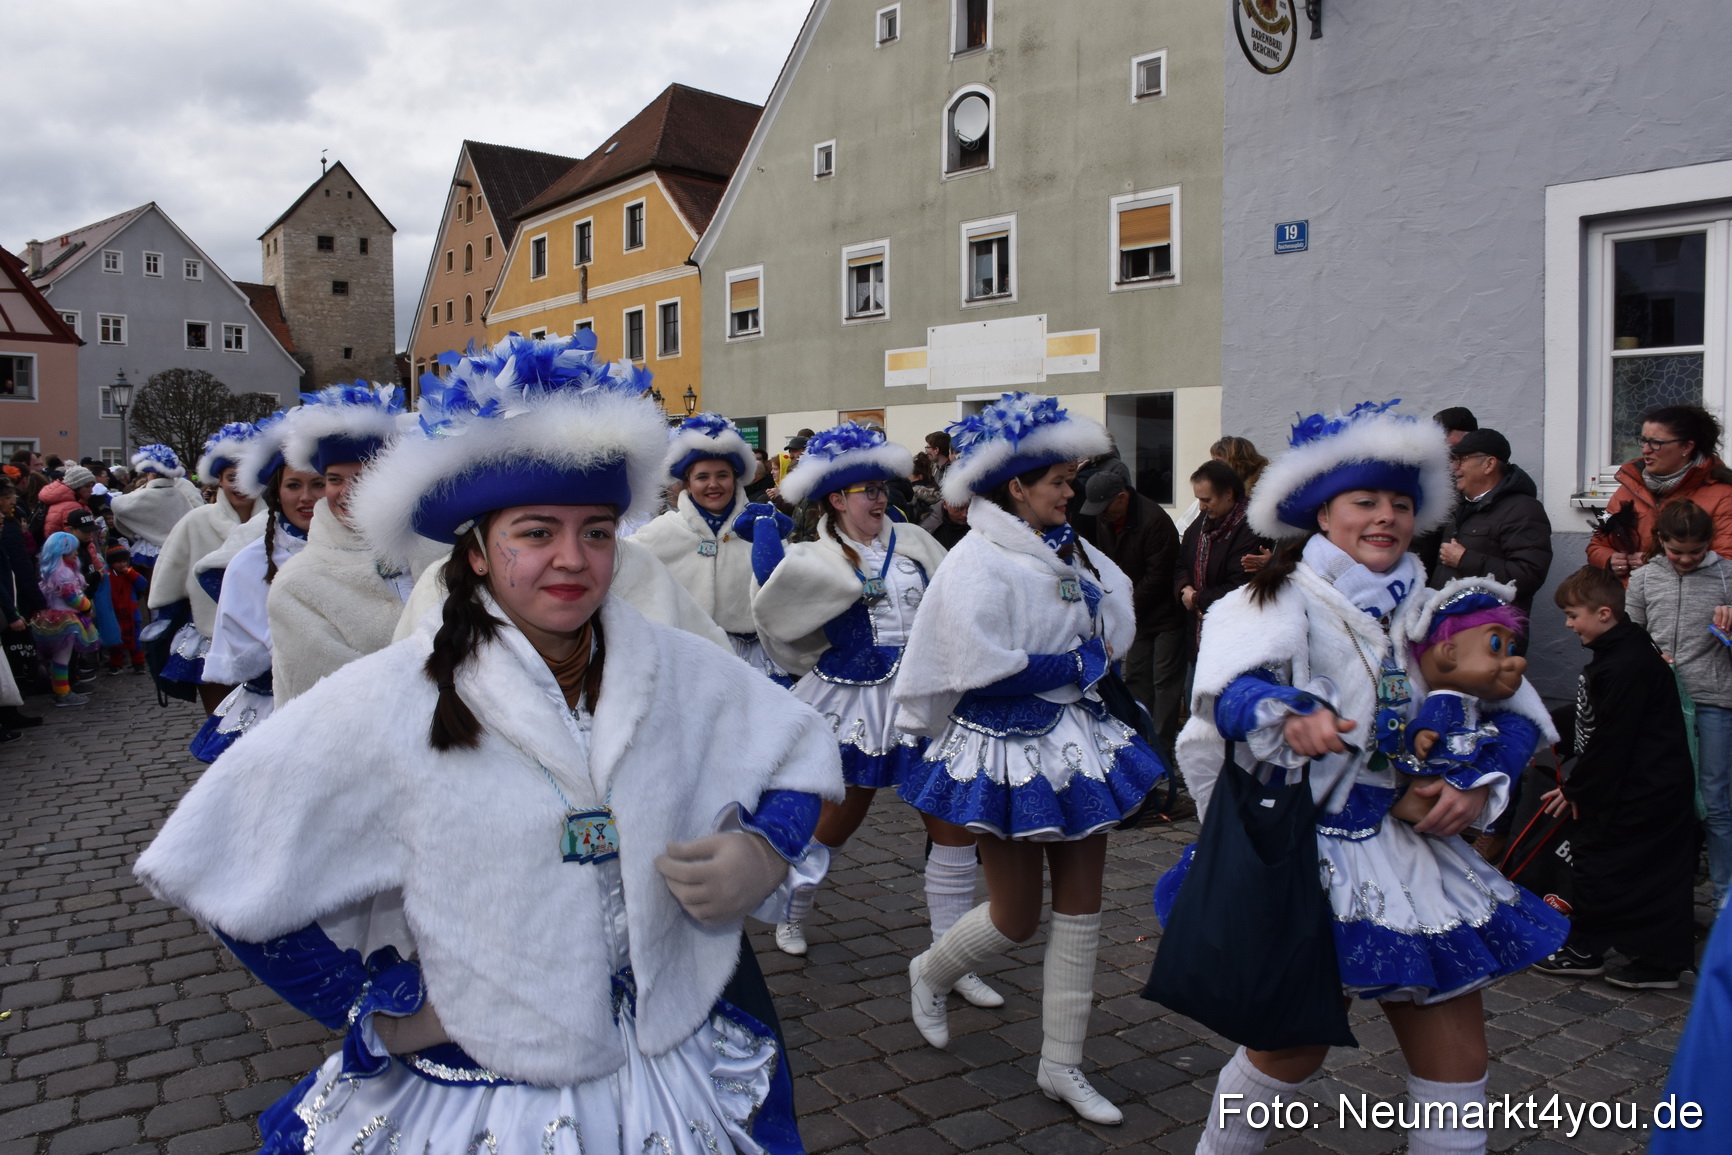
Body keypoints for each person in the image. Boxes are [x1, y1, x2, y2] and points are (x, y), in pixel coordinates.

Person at [134, 331, 842, 1155]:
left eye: (598, 532)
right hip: (487, 1096)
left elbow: (797, 751)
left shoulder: (672, 666)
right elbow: (216, 855)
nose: (572, 560)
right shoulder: (393, 696)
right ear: (475, 550)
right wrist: (383, 1009)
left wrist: (762, 848)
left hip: (670, 1059)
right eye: (537, 532)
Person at [1168, 400, 1565, 1155]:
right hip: (1309, 851)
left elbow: (1516, 713)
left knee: (1457, 1059)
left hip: (1415, 856)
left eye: (1401, 502)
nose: (1386, 516)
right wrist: (1287, 713)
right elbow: (1224, 696)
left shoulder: (1438, 606)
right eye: (1366, 500)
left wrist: (1481, 779)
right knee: (1289, 1047)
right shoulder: (1271, 600)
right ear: (1323, 512)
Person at [893, 392, 1166, 1125]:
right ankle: (931, 968)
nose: (1071, 494)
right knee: (1015, 915)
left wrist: (1094, 652)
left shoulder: (1068, 548)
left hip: (1074, 739)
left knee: (1083, 910)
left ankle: (1062, 1063)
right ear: (1017, 485)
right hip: (1003, 746)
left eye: (1072, 481)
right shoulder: (977, 558)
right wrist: (1074, 660)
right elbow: (979, 662)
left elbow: (1114, 610)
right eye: (1060, 482)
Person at [748, 423, 998, 1006]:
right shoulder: (811, 557)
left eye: (882, 488)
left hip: (922, 697)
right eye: (866, 490)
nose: (880, 498)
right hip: (851, 700)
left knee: (951, 824)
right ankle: (793, 908)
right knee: (836, 818)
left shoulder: (913, 543)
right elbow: (778, 619)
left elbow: (952, 601)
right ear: (836, 499)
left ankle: (950, 956)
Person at [1534, 565, 1699, 989]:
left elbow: (1614, 739)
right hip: (1637, 785)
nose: (1569, 625)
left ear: (1604, 613)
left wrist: (1578, 788)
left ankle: (1591, 949)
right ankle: (1654, 959)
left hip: (1643, 790)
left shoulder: (1627, 664)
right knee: (1634, 868)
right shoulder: (1618, 655)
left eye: (1574, 615)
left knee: (1604, 863)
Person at [267, 383, 417, 703]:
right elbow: (330, 699)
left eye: (364, 476)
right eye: (334, 479)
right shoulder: (299, 584)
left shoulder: (441, 555)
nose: (347, 491)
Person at [189, 416, 324, 761]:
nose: (306, 498)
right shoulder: (250, 562)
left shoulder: (368, 552)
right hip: (276, 709)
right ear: (277, 492)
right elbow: (246, 654)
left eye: (318, 484)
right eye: (293, 485)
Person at [1625, 499, 1732, 912]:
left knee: (1716, 800)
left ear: (1710, 544)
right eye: (1676, 552)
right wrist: (1651, 658)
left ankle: (1724, 897)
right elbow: (1629, 635)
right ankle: (1664, 893)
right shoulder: (1645, 578)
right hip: (1660, 704)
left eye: (1696, 552)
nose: (1686, 560)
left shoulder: (1727, 576)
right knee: (1663, 801)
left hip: (1713, 700)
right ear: (1660, 542)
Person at [632, 413, 790, 684]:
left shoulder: (762, 527)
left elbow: (786, 594)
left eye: (722, 475)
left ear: (736, 479)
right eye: (702, 477)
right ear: (688, 483)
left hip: (754, 662)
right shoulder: (660, 533)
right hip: (684, 663)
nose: (713, 484)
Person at [149, 422, 265, 711]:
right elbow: (170, 576)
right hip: (210, 632)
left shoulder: (277, 520)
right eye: (231, 477)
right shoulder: (196, 520)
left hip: (264, 634)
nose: (239, 485)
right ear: (219, 481)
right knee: (218, 717)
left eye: (246, 477)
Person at [1079, 469, 1185, 752]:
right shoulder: (1106, 519)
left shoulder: (1154, 522)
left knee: (1164, 683)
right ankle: (1138, 741)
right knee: (1137, 678)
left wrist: (1125, 606)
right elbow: (1107, 564)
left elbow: (1158, 577)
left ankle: (1161, 748)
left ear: (1122, 498)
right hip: (1135, 613)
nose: (1100, 515)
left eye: (1104, 508)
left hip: (1164, 615)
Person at [1589, 403, 1732, 580]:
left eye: (1656, 443)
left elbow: (1725, 561)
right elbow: (1598, 544)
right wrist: (1610, 560)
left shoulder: (1724, 494)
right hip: (1628, 600)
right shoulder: (1631, 486)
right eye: (1643, 441)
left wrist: (1658, 565)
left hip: (1687, 602)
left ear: (1687, 447)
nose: (1645, 450)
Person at [1428, 429, 1553, 615]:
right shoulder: (1457, 506)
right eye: (1453, 460)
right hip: (1444, 626)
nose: (1455, 467)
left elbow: (1527, 577)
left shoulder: (1523, 510)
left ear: (1489, 464)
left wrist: (1465, 560)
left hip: (1488, 633)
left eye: (1462, 459)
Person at [1177, 459, 1263, 660]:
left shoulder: (1251, 528)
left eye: (1207, 500)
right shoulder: (1203, 522)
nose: (1201, 507)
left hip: (1234, 639)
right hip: (1198, 635)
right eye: (1198, 499)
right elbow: (1182, 561)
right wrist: (1185, 587)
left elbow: (1240, 586)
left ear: (1228, 494)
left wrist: (1197, 598)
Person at [29, 532, 99, 706]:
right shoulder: (64, 573)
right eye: (72, 550)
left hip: (54, 617)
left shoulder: (50, 571)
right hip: (65, 620)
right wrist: (86, 605)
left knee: (58, 658)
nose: (76, 553)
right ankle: (62, 693)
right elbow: (71, 598)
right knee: (62, 658)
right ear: (62, 551)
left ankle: (61, 690)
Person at [109, 444, 201, 571]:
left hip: (151, 548)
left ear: (152, 474)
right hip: (178, 546)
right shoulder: (178, 494)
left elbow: (119, 506)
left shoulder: (147, 494)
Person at [104, 544, 148, 673]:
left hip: (131, 612)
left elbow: (142, 584)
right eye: (118, 562)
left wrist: (131, 573)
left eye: (124, 561)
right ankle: (116, 663)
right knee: (115, 639)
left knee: (135, 639)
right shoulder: (107, 575)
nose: (122, 564)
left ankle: (138, 663)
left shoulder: (131, 573)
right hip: (114, 612)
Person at [37, 462, 93, 539]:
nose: (91, 490)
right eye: (87, 486)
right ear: (76, 487)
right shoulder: (71, 507)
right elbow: (77, 539)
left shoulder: (62, 500)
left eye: (92, 486)